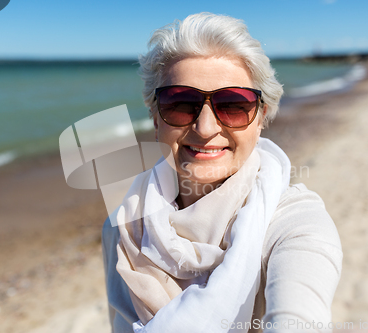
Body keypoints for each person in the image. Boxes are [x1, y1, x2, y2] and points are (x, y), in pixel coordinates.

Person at [102, 13, 342, 333]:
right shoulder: (123, 228)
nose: (205, 128)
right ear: (156, 117)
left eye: (232, 105)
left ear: (260, 118)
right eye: (181, 103)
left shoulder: (293, 221)